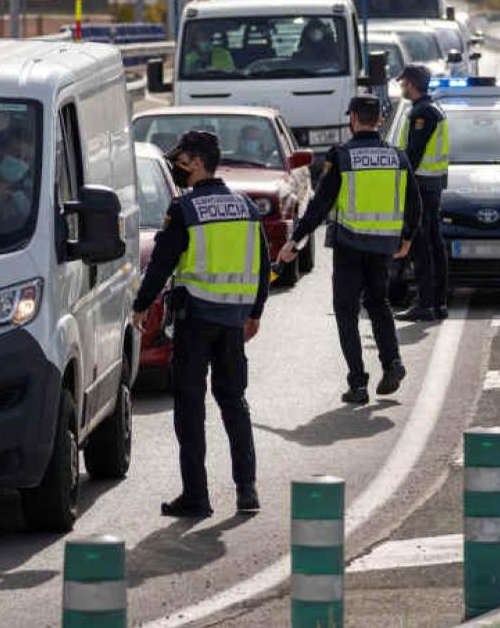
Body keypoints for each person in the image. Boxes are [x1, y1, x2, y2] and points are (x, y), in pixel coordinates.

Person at [132, 131, 270, 518]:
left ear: (196, 162)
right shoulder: (244, 205)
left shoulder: (185, 209)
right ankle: (247, 491)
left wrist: (141, 306)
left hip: (195, 322)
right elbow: (263, 264)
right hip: (232, 324)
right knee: (234, 404)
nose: (177, 166)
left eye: (181, 160)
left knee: (190, 409)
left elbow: (161, 262)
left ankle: (197, 496)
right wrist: (256, 312)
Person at [279, 95, 420, 404]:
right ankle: (392, 362)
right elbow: (414, 204)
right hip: (384, 246)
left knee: (346, 313)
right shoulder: (398, 157)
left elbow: (319, 205)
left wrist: (296, 241)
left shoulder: (343, 157)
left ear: (354, 119)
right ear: (380, 120)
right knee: (379, 303)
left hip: (350, 246)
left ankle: (358, 383)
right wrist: (407, 239)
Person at [395, 64, 450, 322]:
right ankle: (437, 303)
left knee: (421, 246)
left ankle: (425, 303)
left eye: (403, 82)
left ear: (412, 84)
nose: (401, 87)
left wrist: (400, 180)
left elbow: (413, 154)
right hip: (432, 185)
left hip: (421, 186)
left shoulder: (423, 113)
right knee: (434, 245)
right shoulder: (432, 109)